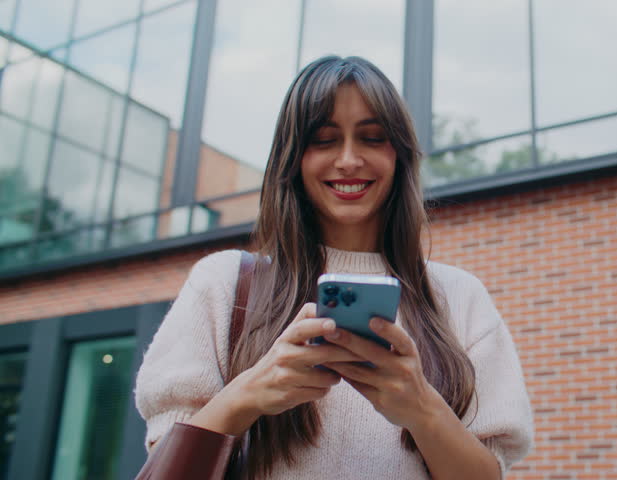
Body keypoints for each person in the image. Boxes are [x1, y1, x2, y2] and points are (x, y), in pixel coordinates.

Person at [134, 55, 533, 479]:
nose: (348, 160)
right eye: (324, 140)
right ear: (293, 158)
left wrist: (421, 408)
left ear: (399, 155)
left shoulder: (458, 297)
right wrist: (249, 393)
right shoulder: (224, 284)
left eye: (372, 138)